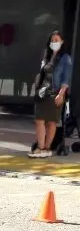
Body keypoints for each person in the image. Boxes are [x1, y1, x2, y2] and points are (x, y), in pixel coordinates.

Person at [32, 30, 73, 158]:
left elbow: (66, 79)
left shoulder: (66, 58)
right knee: (39, 120)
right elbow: (42, 73)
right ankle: (40, 146)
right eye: (52, 40)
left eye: (56, 40)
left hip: (55, 92)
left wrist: (61, 94)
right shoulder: (47, 56)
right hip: (43, 92)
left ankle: (46, 148)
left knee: (51, 122)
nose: (54, 43)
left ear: (62, 42)